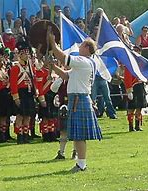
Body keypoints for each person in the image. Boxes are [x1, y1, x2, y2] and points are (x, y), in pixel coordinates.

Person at [48, 35, 102, 172]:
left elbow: (63, 58)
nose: (79, 46)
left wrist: (53, 44)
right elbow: (66, 75)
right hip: (78, 99)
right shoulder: (86, 63)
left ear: (87, 48)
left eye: (82, 44)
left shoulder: (83, 61)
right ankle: (80, 163)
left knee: (79, 136)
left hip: (79, 99)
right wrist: (53, 66)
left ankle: (81, 164)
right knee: (77, 135)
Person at [10, 39, 36, 144]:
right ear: (20, 55)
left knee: (28, 116)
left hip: (28, 92)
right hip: (21, 93)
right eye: (24, 54)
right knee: (20, 116)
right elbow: (13, 84)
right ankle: (19, 136)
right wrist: (16, 97)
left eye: (27, 53)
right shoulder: (15, 68)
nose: (27, 56)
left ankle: (25, 135)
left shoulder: (30, 67)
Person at [124, 46, 148, 132]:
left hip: (140, 85)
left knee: (139, 107)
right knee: (131, 108)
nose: (136, 52)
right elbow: (127, 77)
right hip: (133, 87)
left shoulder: (142, 62)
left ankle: (137, 125)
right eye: (134, 51)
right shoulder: (129, 63)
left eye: (138, 51)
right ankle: (131, 127)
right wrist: (129, 89)